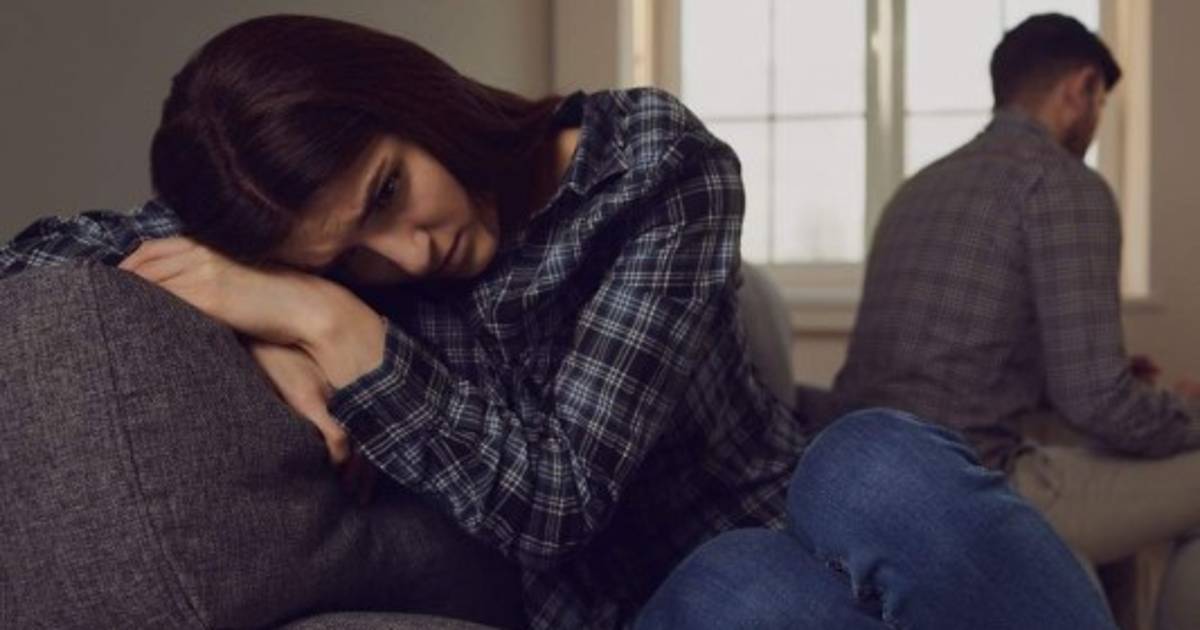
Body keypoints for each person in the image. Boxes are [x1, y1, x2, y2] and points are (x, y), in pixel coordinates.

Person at [1, 14, 1116, 630]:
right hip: (641, 607)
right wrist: (292, 319)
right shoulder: (328, 273)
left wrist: (311, 310)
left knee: (876, 461)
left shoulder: (652, 167)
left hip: (782, 510)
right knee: (747, 590)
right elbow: (32, 255)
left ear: (406, 94)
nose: (405, 256)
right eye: (345, 257)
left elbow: (563, 475)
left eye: (389, 192)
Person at [834, 13, 1200, 628]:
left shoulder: (917, 189)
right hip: (974, 484)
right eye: (1100, 104)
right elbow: (1098, 403)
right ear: (1082, 87)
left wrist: (1105, 381)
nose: (1096, 122)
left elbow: (962, 362)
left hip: (863, 478)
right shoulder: (1063, 183)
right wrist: (1188, 414)